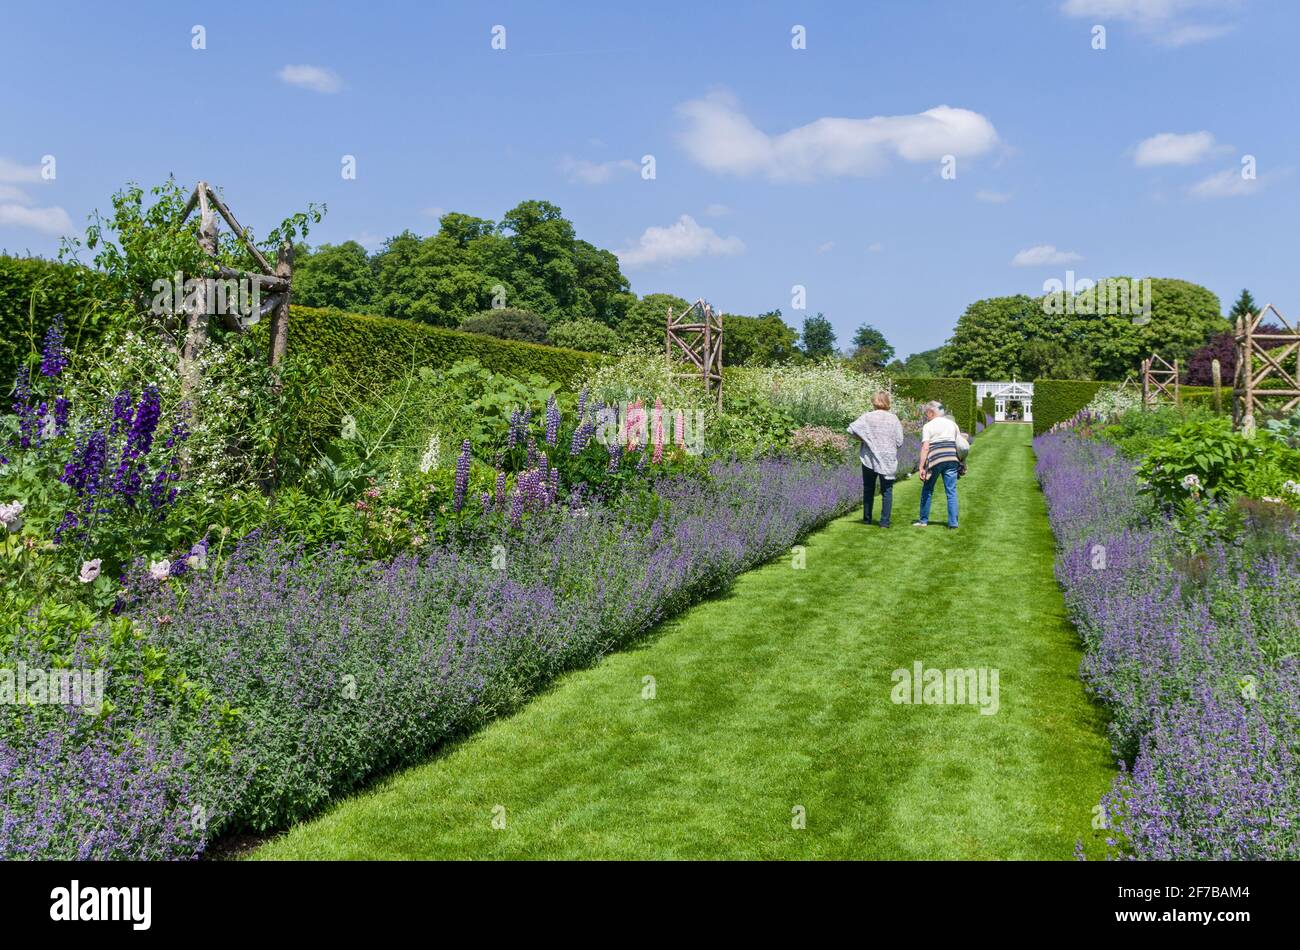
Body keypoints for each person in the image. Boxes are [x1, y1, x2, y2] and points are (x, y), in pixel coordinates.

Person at [846, 390, 904, 528]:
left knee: (868, 488)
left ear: (874, 401)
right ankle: (884, 522)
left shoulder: (867, 417)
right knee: (887, 490)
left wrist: (866, 439)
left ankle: (867, 519)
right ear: (887, 402)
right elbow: (899, 441)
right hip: (888, 458)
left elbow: (850, 430)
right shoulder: (893, 419)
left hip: (869, 457)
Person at [913, 401, 961, 529]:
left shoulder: (928, 426)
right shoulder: (952, 424)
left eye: (926, 413)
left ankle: (923, 521)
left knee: (927, 490)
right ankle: (953, 523)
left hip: (935, 460)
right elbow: (960, 446)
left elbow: (925, 447)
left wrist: (921, 466)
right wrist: (963, 463)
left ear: (931, 412)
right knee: (951, 492)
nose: (926, 416)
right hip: (951, 458)